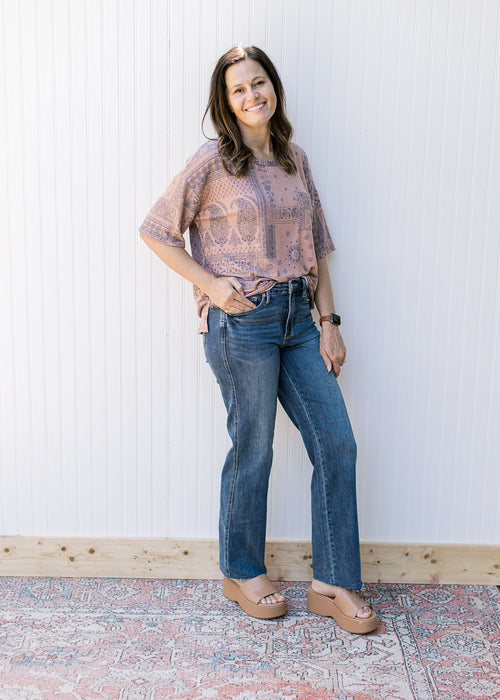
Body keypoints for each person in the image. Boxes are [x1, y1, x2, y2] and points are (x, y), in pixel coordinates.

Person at [139, 45, 378, 634]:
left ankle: (334, 581)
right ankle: (242, 569)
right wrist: (212, 286)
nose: (252, 96)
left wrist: (330, 323)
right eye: (238, 90)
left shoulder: (297, 160)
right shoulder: (212, 162)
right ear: (225, 104)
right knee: (255, 448)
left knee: (337, 443)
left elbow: (318, 248)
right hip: (241, 322)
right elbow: (156, 231)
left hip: (301, 320)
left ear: (274, 88)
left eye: (259, 83)